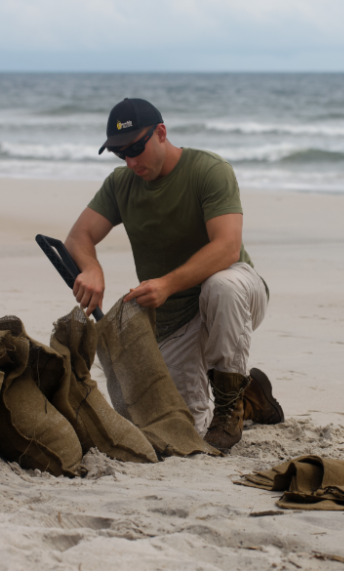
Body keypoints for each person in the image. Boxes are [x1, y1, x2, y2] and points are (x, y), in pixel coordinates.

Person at [64, 98, 283, 450]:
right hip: (172, 320)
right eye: (122, 153)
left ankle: (229, 408)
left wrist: (167, 284)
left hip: (235, 295)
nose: (132, 161)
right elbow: (78, 237)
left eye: (137, 147)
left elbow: (227, 247)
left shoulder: (209, 170)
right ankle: (252, 396)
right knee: (177, 429)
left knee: (219, 286)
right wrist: (91, 268)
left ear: (161, 133)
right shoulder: (120, 185)